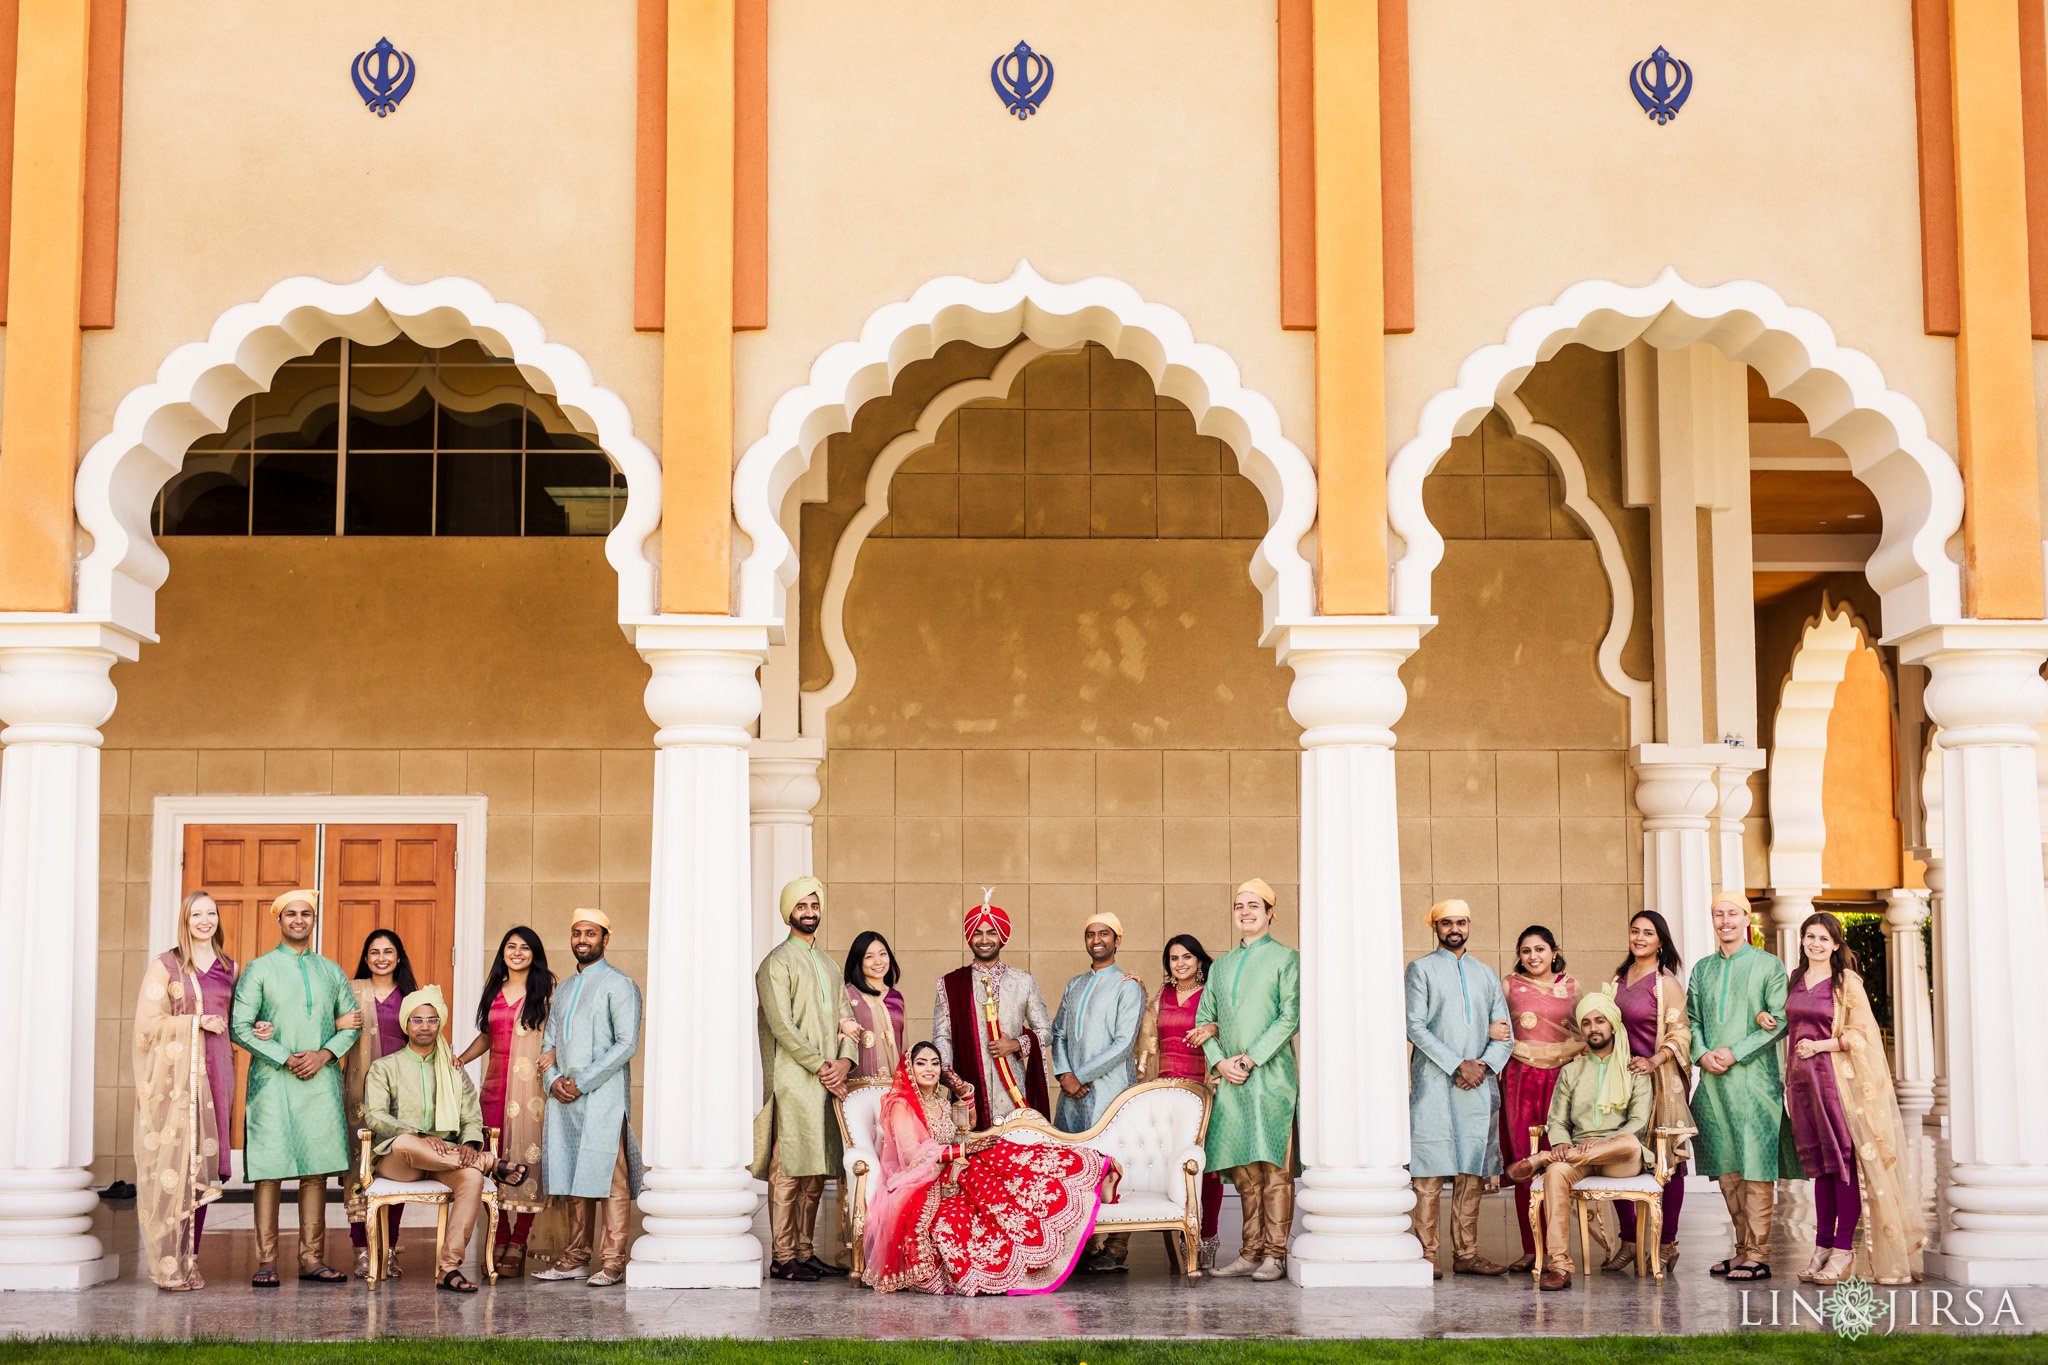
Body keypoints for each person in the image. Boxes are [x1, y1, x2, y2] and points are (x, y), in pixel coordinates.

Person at [861, 1042, 1118, 1296]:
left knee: (1012, 1160)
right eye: (921, 1063)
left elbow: (967, 1126)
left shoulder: (938, 1102)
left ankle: (1091, 1169)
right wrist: (964, 1152)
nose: (929, 1069)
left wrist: (965, 1094)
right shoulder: (901, 1105)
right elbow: (913, 1155)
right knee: (990, 1183)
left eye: (935, 1063)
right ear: (909, 1069)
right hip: (923, 1180)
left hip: (952, 1167)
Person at [1783, 911, 1925, 1286]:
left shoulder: (1845, 981)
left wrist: (1820, 1046)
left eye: (1823, 939)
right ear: (1802, 940)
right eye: (1810, 937)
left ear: (1835, 944)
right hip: (1800, 1086)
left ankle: (1844, 1249)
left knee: (1843, 1167)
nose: (1816, 944)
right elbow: (1791, 1024)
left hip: (1835, 1086)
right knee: (1820, 1168)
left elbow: (1863, 1034)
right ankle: (1822, 1247)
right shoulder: (1796, 979)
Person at [361, 986, 533, 1293]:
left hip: (446, 1158)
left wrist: (469, 1144)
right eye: (417, 1020)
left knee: (471, 1177)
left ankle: (449, 1268)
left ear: (439, 1023)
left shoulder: (454, 1070)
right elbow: (375, 1116)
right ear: (406, 1024)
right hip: (401, 1159)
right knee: (403, 1142)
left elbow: (471, 1116)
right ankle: (490, 1162)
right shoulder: (384, 1067)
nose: (425, 1026)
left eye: (431, 1020)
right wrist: (421, 1136)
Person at [229, 888, 359, 1289]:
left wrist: (323, 1055)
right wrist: (286, 1057)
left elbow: (351, 1022)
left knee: (315, 1171)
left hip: (319, 1080)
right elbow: (240, 1025)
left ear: (313, 921)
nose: (299, 919)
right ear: (279, 921)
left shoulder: (331, 971)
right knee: (269, 1171)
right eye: (291, 914)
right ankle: (267, 1260)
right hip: (272, 1083)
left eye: (306, 913)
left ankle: (311, 1259)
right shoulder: (260, 968)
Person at [1505, 993, 1653, 1291]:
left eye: (1600, 1021)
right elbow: (1557, 1120)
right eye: (1586, 1023)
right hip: (1578, 1154)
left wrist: (1597, 1145)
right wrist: (1560, 1141)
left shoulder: (1633, 1068)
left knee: (1630, 1144)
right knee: (1557, 1173)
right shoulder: (1572, 1071)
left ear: (1613, 1024)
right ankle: (1560, 1266)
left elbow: (1638, 1123)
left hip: (1619, 1158)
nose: (1593, 1028)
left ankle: (1545, 1158)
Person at [1192, 879, 1301, 1282]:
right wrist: (1221, 1063)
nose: (1245, 912)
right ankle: (1250, 1252)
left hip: (1270, 1078)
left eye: (1254, 905)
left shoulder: (1287, 959)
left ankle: (1275, 1254)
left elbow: (1290, 1017)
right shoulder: (1220, 966)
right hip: (1230, 1082)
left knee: (1274, 1167)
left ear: (1271, 912)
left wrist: (1251, 1058)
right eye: (1239, 906)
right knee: (1243, 1170)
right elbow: (1204, 1022)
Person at [750, 876, 859, 1283]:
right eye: (801, 907)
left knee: (817, 1168)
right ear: (788, 913)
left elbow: (848, 1019)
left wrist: (845, 1063)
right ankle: (782, 1257)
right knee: (789, 1167)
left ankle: (804, 1250)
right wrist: (822, 1066)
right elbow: (782, 1026)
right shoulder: (776, 963)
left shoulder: (829, 964)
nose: (809, 913)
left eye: (814, 906)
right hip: (794, 1080)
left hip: (830, 1079)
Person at [133, 890, 241, 1290]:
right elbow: (147, 1022)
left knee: (200, 1171)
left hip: (217, 1073)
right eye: (197, 914)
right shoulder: (167, 964)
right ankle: (168, 1264)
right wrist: (195, 1022)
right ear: (185, 919)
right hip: (176, 1082)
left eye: (211, 913)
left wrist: (256, 1028)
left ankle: (191, 1260)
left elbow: (236, 1018)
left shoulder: (230, 967)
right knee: (174, 1167)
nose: (204, 921)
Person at [534, 908, 644, 1287]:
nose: (583, 940)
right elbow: (548, 1043)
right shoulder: (563, 988)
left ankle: (612, 1261)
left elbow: (627, 1044)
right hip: (564, 1098)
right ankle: (576, 1257)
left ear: (605, 939)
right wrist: (552, 1081)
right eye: (577, 933)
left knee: (611, 1179)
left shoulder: (619, 984)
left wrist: (582, 1082)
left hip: (602, 1098)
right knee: (573, 1178)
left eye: (591, 933)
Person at [1405, 897, 1511, 1279]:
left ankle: (1467, 1254)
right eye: (1447, 922)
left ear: (1469, 925)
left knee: (1471, 1170)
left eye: (1461, 922)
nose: (1455, 929)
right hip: (1434, 1083)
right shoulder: (1420, 970)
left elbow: (1505, 1032)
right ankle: (1426, 1255)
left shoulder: (1485, 974)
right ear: (1435, 927)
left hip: (1476, 1084)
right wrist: (1457, 1064)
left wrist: (1481, 1065)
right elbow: (1414, 1026)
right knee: (1429, 1171)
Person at [1687, 891, 1787, 1283]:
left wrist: (1735, 1052)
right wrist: (1702, 1053)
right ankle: (1742, 1250)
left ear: (1747, 919)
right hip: (1713, 1083)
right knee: (1727, 1165)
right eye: (1718, 914)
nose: (1725, 920)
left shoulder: (1768, 965)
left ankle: (1760, 1254)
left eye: (1732, 914)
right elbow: (1692, 1018)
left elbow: (1779, 1019)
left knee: (1756, 1164)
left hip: (1754, 1081)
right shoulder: (1702, 969)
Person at [454, 925, 555, 1279]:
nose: (517, 953)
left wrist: (554, 1053)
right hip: (495, 1087)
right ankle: (498, 1234)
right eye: (510, 946)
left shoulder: (546, 991)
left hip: (531, 1093)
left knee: (527, 1157)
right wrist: (462, 1059)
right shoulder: (494, 990)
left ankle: (519, 1241)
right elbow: (487, 1035)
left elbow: (559, 1033)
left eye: (525, 948)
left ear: (534, 953)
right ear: (503, 953)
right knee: (492, 1160)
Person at [1050, 910, 1145, 1273]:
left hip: (1109, 1089)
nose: (1097, 940)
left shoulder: (1127, 985)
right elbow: (1058, 1032)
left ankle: (1117, 1246)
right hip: (1071, 1092)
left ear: (1117, 940)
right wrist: (1064, 1074)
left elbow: (1124, 1044)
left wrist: (1081, 1075)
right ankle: (1084, 1246)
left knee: (1112, 1161)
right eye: (1091, 934)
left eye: (1105, 934)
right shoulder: (1074, 984)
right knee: (1073, 1161)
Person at [1605, 909, 1696, 1273]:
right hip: (1622, 1083)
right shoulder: (1617, 979)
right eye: (1635, 931)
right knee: (1616, 1159)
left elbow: (1681, 1033)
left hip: (1659, 1082)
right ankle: (1628, 1240)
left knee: (1665, 1164)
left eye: (1648, 933)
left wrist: (1654, 1061)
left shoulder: (1666, 983)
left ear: (1661, 942)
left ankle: (1667, 1243)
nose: (1640, 938)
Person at [1135, 933, 1224, 1272]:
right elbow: (1146, 1042)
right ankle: (1180, 1246)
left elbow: (1228, 1028)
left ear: (1200, 961)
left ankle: (1208, 1241)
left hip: (1204, 1093)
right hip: (1167, 1095)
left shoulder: (1210, 996)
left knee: (1206, 1169)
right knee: (1171, 1167)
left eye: (1187, 957)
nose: (1181, 963)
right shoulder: (1162, 996)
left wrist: (1214, 1027)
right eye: (1174, 958)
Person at [1497, 925, 1582, 1274]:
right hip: (1520, 1080)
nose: (1533, 956)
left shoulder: (1571, 987)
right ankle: (1531, 1250)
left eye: (1540, 949)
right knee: (1526, 1162)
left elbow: (1588, 1028)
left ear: (1553, 951)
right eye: (1526, 950)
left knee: (1557, 1161)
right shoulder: (1509, 986)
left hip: (1561, 1081)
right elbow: (1495, 1024)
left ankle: (1557, 1251)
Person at [933, 893, 1053, 1126]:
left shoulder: (1023, 981)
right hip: (966, 1092)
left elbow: (1046, 1031)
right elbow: (942, 1036)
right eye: (977, 933)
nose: (984, 939)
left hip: (1013, 1092)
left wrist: (1016, 1044)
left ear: (1002, 937)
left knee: (1014, 1153)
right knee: (971, 1155)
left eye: (991, 932)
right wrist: (950, 1076)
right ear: (969, 938)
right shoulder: (949, 984)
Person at [340, 928, 419, 1279]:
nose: (381, 958)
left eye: (388, 952)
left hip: (402, 1096)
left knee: (395, 1167)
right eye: (374, 952)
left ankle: (388, 1251)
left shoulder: (412, 997)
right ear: (366, 957)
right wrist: (338, 1021)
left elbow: (429, 1039)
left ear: (398, 957)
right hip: (358, 1092)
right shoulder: (351, 991)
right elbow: (332, 1031)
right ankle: (362, 1250)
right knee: (358, 1170)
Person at [844, 929, 907, 1080]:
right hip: (857, 1086)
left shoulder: (897, 998)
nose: (878, 961)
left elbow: (903, 1046)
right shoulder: (847, 994)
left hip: (893, 1087)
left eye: (882, 954)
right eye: (869, 957)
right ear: (858, 961)